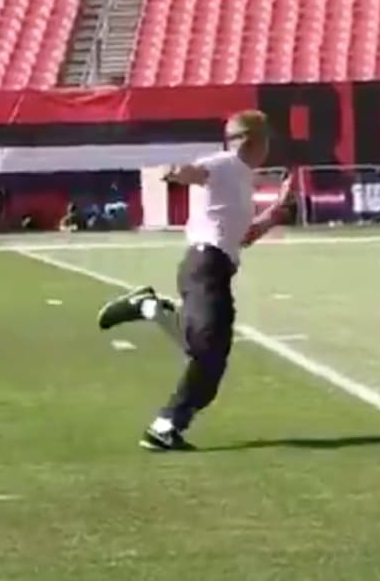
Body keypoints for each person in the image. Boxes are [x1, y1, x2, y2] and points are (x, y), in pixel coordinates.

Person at [95, 111, 294, 452]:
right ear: (253, 141)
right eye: (266, 142)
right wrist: (178, 173)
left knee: (207, 354)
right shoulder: (227, 163)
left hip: (212, 266)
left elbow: (241, 236)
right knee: (208, 354)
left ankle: (150, 310)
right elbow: (199, 171)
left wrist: (275, 211)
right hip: (206, 265)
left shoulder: (241, 177)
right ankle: (166, 424)